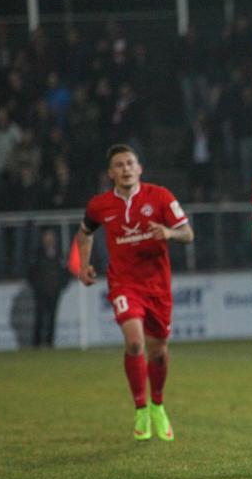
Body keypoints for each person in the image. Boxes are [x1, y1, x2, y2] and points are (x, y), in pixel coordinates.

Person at [76, 144, 194, 441]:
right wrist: (84, 265)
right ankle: (140, 408)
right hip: (123, 283)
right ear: (110, 173)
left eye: (130, 163)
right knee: (134, 343)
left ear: (139, 168)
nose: (125, 168)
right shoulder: (99, 205)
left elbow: (188, 233)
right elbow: (85, 232)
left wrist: (169, 233)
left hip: (157, 286)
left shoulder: (160, 196)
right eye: (119, 164)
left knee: (158, 350)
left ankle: (157, 404)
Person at [27, 228, 69, 347]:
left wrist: (61, 286)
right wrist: (36, 287)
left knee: (52, 318)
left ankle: (50, 343)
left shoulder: (60, 254)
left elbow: (66, 272)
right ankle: (36, 344)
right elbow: (31, 273)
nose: (49, 240)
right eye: (47, 237)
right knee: (39, 317)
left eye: (51, 237)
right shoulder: (37, 254)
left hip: (54, 291)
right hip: (41, 292)